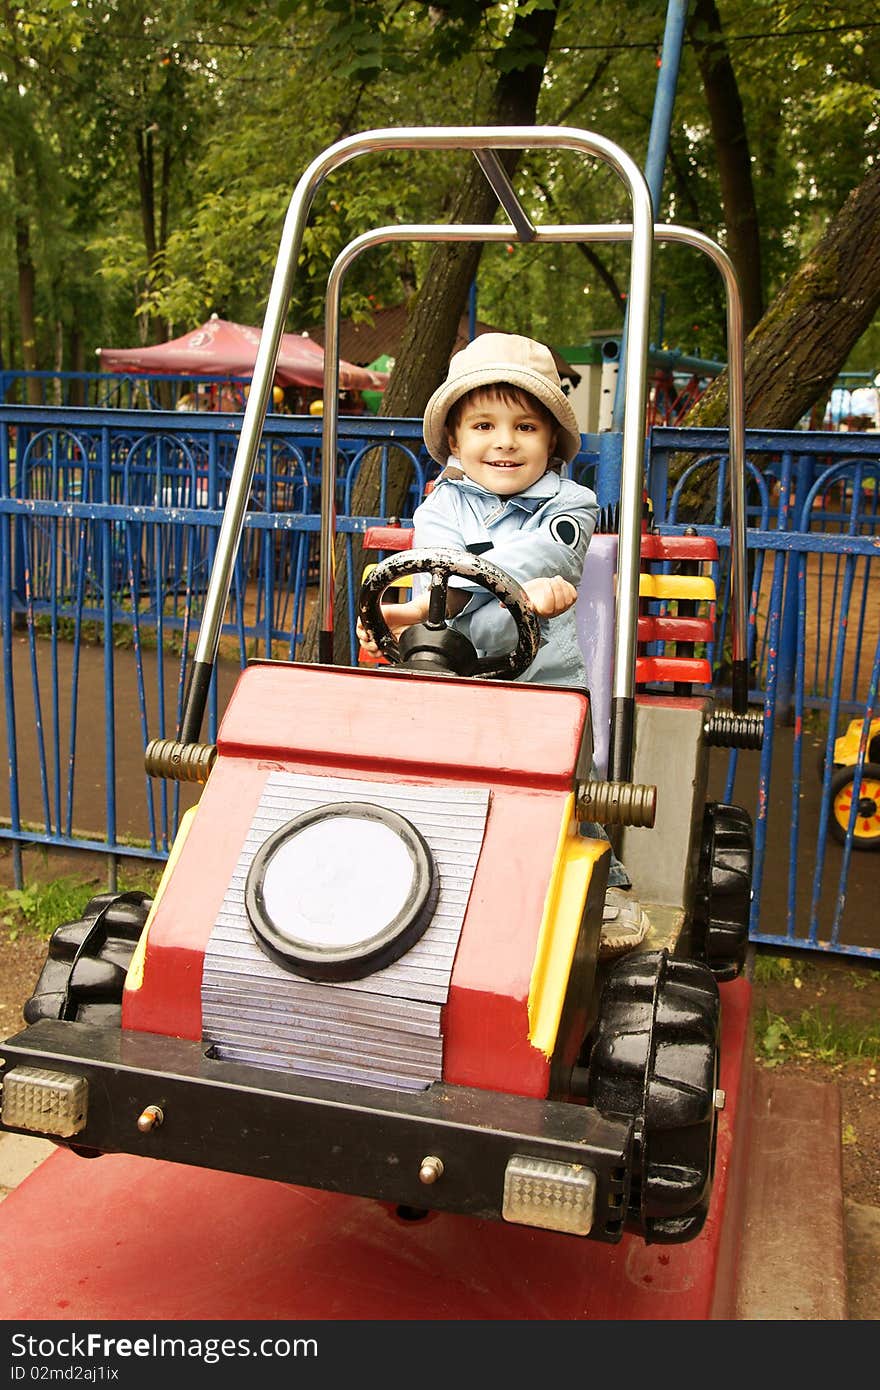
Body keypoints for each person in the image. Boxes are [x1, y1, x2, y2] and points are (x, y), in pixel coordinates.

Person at [357, 331, 649, 957]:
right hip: (460, 682)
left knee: (568, 784)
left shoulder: (574, 504)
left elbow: (546, 557)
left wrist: (446, 587)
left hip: (543, 684)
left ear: (552, 441)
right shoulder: (440, 508)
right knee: (427, 766)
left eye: (525, 427)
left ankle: (603, 881)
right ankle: (422, 871)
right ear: (456, 442)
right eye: (484, 425)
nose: (505, 442)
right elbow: (441, 573)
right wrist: (415, 607)